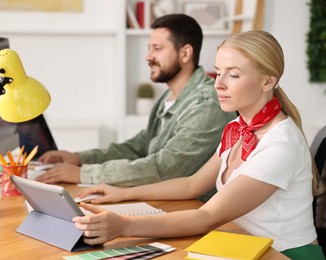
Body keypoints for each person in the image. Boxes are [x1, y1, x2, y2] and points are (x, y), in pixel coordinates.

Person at [71, 30, 325, 258]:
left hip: (282, 254)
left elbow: (207, 217)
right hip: (241, 247)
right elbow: (192, 184)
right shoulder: (236, 128)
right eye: (219, 71)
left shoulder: (281, 144)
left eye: (233, 74)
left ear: (268, 82)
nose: (218, 83)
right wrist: (122, 192)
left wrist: (124, 225)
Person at [37, 14, 236, 196]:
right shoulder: (169, 97)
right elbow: (137, 148)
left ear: (185, 53)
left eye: (157, 49)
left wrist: (84, 173)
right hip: (167, 200)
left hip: (193, 210)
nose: (148, 57)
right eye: (149, 48)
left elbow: (165, 168)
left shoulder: (206, 104)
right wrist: (79, 158)